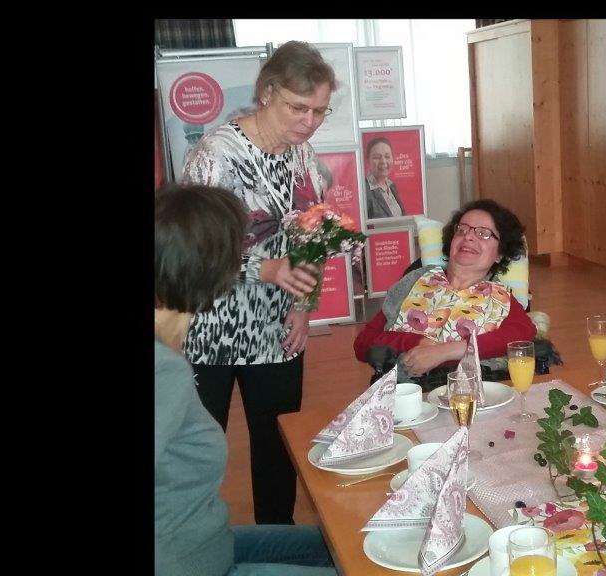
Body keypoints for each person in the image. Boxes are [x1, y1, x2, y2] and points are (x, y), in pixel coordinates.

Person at [180, 40, 335, 525]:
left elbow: (316, 236)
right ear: (268, 93)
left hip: (277, 327)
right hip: (210, 328)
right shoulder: (215, 156)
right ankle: (191, 538)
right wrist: (264, 270)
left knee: (277, 443)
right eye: (298, 107)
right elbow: (191, 250)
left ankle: (277, 537)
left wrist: (303, 306)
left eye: (319, 111)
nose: (308, 122)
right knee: (199, 449)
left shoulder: (303, 157)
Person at [155, 183, 336, 576]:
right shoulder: (162, 369)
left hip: (211, 542)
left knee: (344, 544)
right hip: (190, 565)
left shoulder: (169, 348)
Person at [354, 199, 536, 382]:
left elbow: (522, 335)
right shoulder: (415, 282)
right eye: (462, 230)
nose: (468, 237)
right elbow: (363, 342)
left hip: (474, 389)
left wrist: (446, 351)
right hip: (408, 391)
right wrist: (418, 343)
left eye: (483, 233)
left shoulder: (499, 296)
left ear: (500, 254)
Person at [364, 137, 405, 218]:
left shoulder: (391, 185)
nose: (383, 161)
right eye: (377, 157)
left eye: (387, 156)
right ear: (368, 160)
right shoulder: (364, 190)